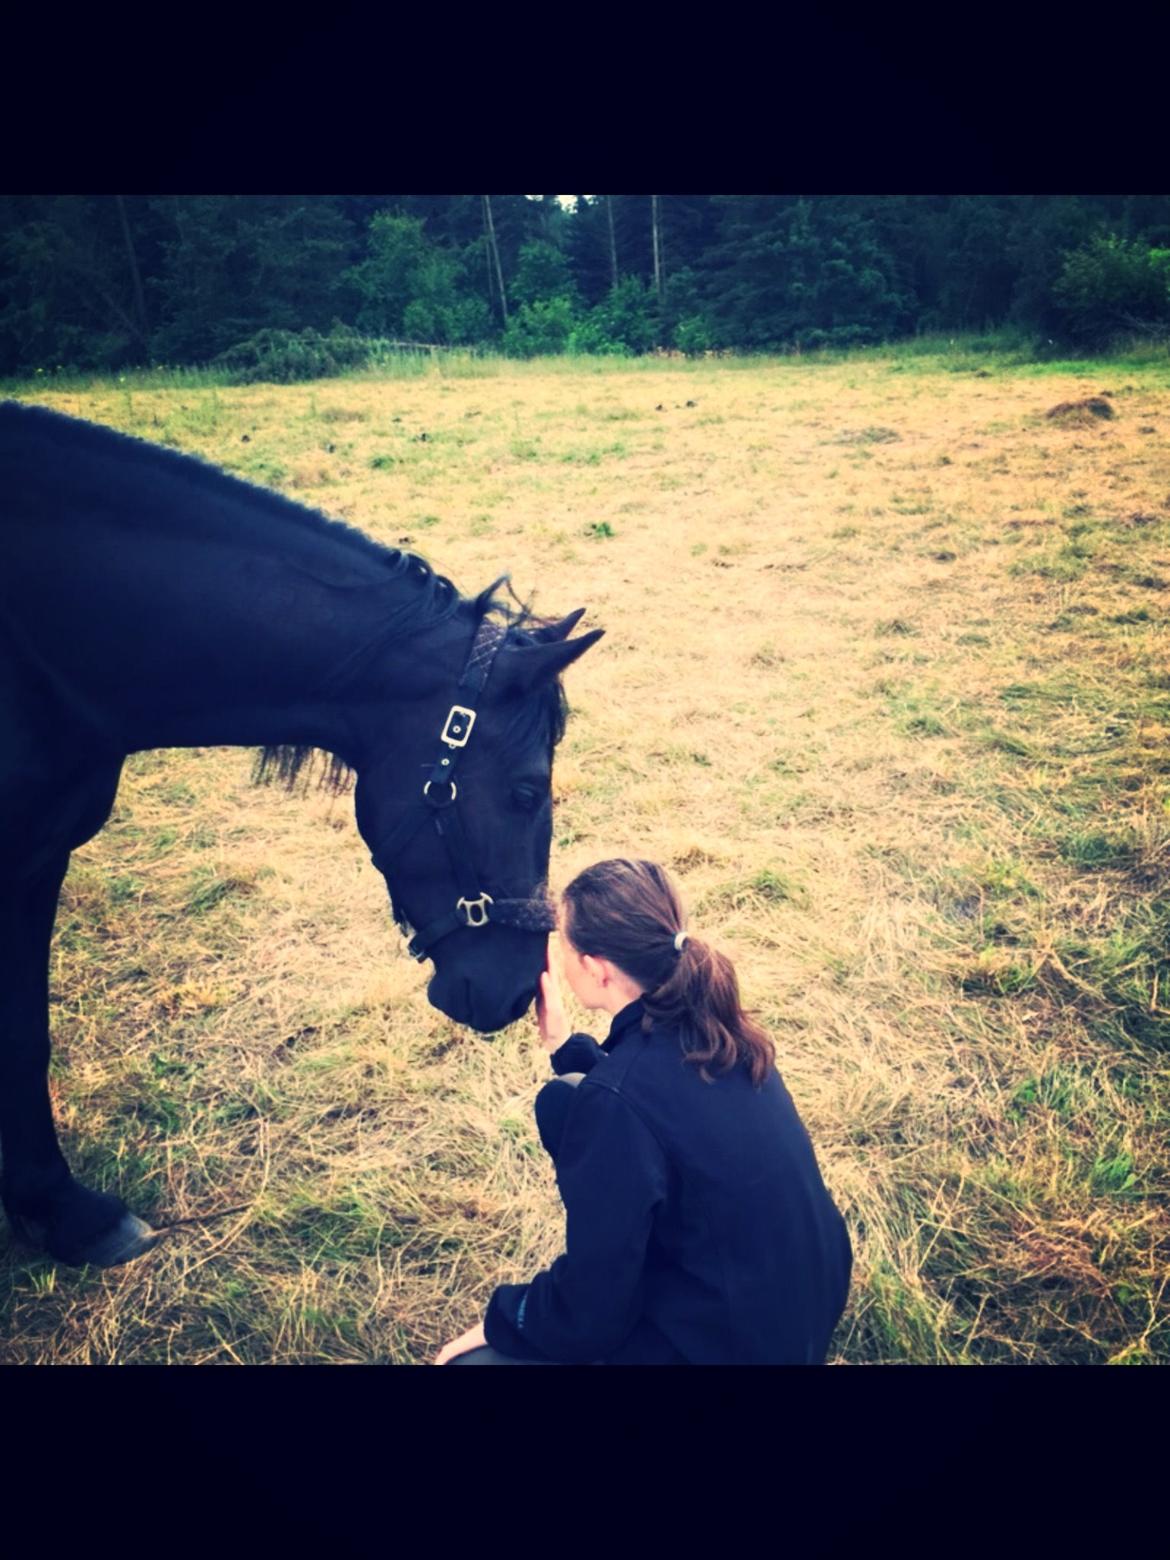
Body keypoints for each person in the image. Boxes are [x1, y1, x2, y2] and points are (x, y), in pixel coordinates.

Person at [433, 858, 852, 1365]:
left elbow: (588, 1314)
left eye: (564, 946)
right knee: (565, 1098)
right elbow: (653, 1103)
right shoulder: (721, 1033)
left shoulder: (618, 1104)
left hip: (727, 1350)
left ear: (595, 968)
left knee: (471, 1367)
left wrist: (504, 1320)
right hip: (797, 1313)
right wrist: (564, 1045)